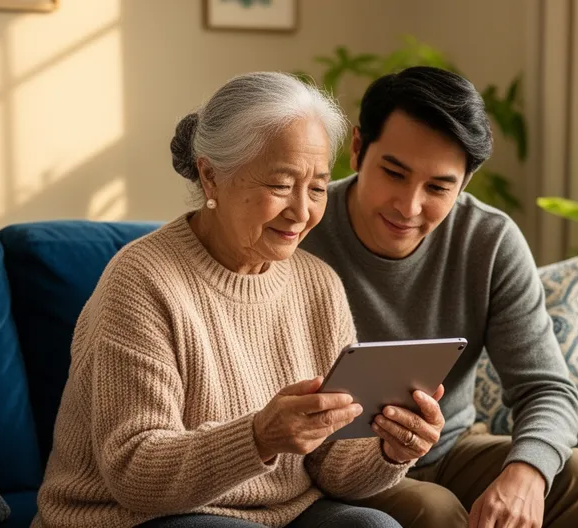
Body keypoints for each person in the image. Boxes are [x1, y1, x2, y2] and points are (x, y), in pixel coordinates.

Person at [30, 72, 448, 528]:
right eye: (281, 184)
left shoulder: (318, 285)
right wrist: (258, 437)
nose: (302, 212)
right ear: (211, 177)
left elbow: (332, 468)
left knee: (375, 526)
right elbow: (133, 472)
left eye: (317, 187)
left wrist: (390, 449)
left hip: (280, 514)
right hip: (136, 516)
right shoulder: (143, 280)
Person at [298, 66, 578, 528]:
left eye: (438, 187)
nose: (408, 207)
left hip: (449, 447)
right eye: (394, 172)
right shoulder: (300, 227)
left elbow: (547, 388)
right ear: (356, 149)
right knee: (434, 510)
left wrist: (526, 473)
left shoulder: (488, 240)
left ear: (464, 184)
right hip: (336, 464)